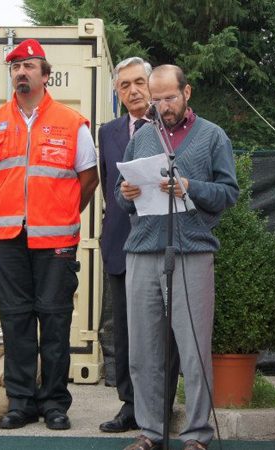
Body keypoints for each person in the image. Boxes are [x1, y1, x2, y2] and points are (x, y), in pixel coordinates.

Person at [0, 38, 99, 431]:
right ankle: (21, 401)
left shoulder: (71, 122)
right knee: (15, 321)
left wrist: (60, 213)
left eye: (29, 66)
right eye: (15, 67)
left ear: (46, 76)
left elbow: (89, 179)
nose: (21, 72)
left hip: (56, 240)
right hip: (8, 238)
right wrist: (12, 212)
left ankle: (55, 404)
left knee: (56, 321)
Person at [116, 64, 239, 450]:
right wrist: (127, 193)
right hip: (142, 252)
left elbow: (228, 194)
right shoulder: (142, 137)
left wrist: (189, 186)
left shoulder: (212, 136)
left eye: (169, 97)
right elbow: (122, 198)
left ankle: (197, 434)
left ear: (188, 92)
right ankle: (151, 431)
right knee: (143, 350)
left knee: (193, 349)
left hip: (191, 253)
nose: (162, 106)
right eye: (156, 100)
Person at [97, 56, 150, 434]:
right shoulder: (108, 132)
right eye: (124, 86)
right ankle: (129, 405)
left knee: (161, 333)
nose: (132, 91)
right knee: (124, 331)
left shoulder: (170, 127)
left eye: (138, 83)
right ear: (117, 93)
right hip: (120, 242)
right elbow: (106, 185)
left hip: (163, 245)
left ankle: (158, 405)